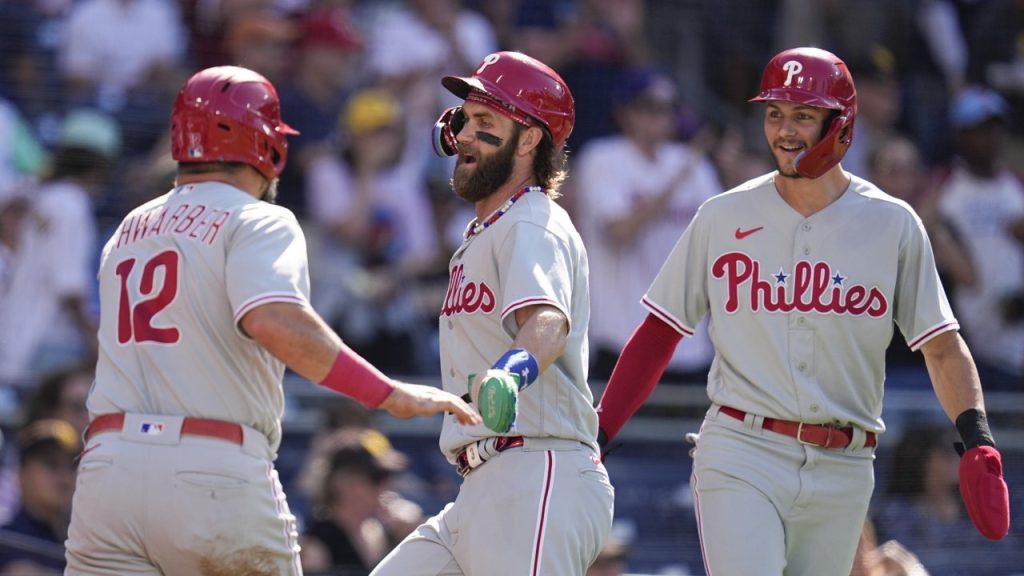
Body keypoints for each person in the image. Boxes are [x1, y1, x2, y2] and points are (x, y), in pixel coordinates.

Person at [595, 47, 1010, 575]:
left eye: (803, 115)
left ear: (841, 124)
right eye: (774, 114)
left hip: (846, 463)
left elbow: (942, 347)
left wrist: (978, 440)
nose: (784, 130)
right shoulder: (722, 216)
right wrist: (600, 435)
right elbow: (660, 332)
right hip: (742, 449)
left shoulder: (893, 224)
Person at [63, 65, 479, 576]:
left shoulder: (130, 226)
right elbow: (274, 320)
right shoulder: (258, 217)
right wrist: (388, 393)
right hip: (209, 466)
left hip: (108, 468)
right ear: (267, 146)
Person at [370, 51, 614, 576]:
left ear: (529, 140)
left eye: (486, 123)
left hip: (536, 468)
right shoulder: (492, 228)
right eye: (464, 120)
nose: (463, 136)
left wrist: (510, 373)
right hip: (483, 484)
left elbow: (547, 321)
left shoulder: (531, 222)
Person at [299, 428, 422, 576]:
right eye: (376, 478)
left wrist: (411, 536)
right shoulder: (317, 547)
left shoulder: (386, 531)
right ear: (344, 483)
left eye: (387, 479)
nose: (385, 487)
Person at [0, 419, 80, 575]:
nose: (63, 475)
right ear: (21, 473)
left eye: (72, 465)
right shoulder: (5, 541)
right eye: (51, 464)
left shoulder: (77, 545)